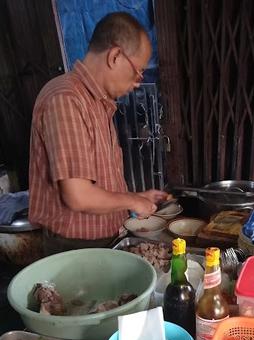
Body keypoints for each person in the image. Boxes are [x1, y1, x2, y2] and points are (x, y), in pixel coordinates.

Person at [28, 12, 168, 255]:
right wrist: (132, 201)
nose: (137, 83)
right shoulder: (66, 99)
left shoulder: (97, 102)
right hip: (75, 249)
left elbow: (99, 185)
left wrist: (134, 196)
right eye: (138, 72)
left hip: (103, 242)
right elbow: (79, 197)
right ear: (115, 56)